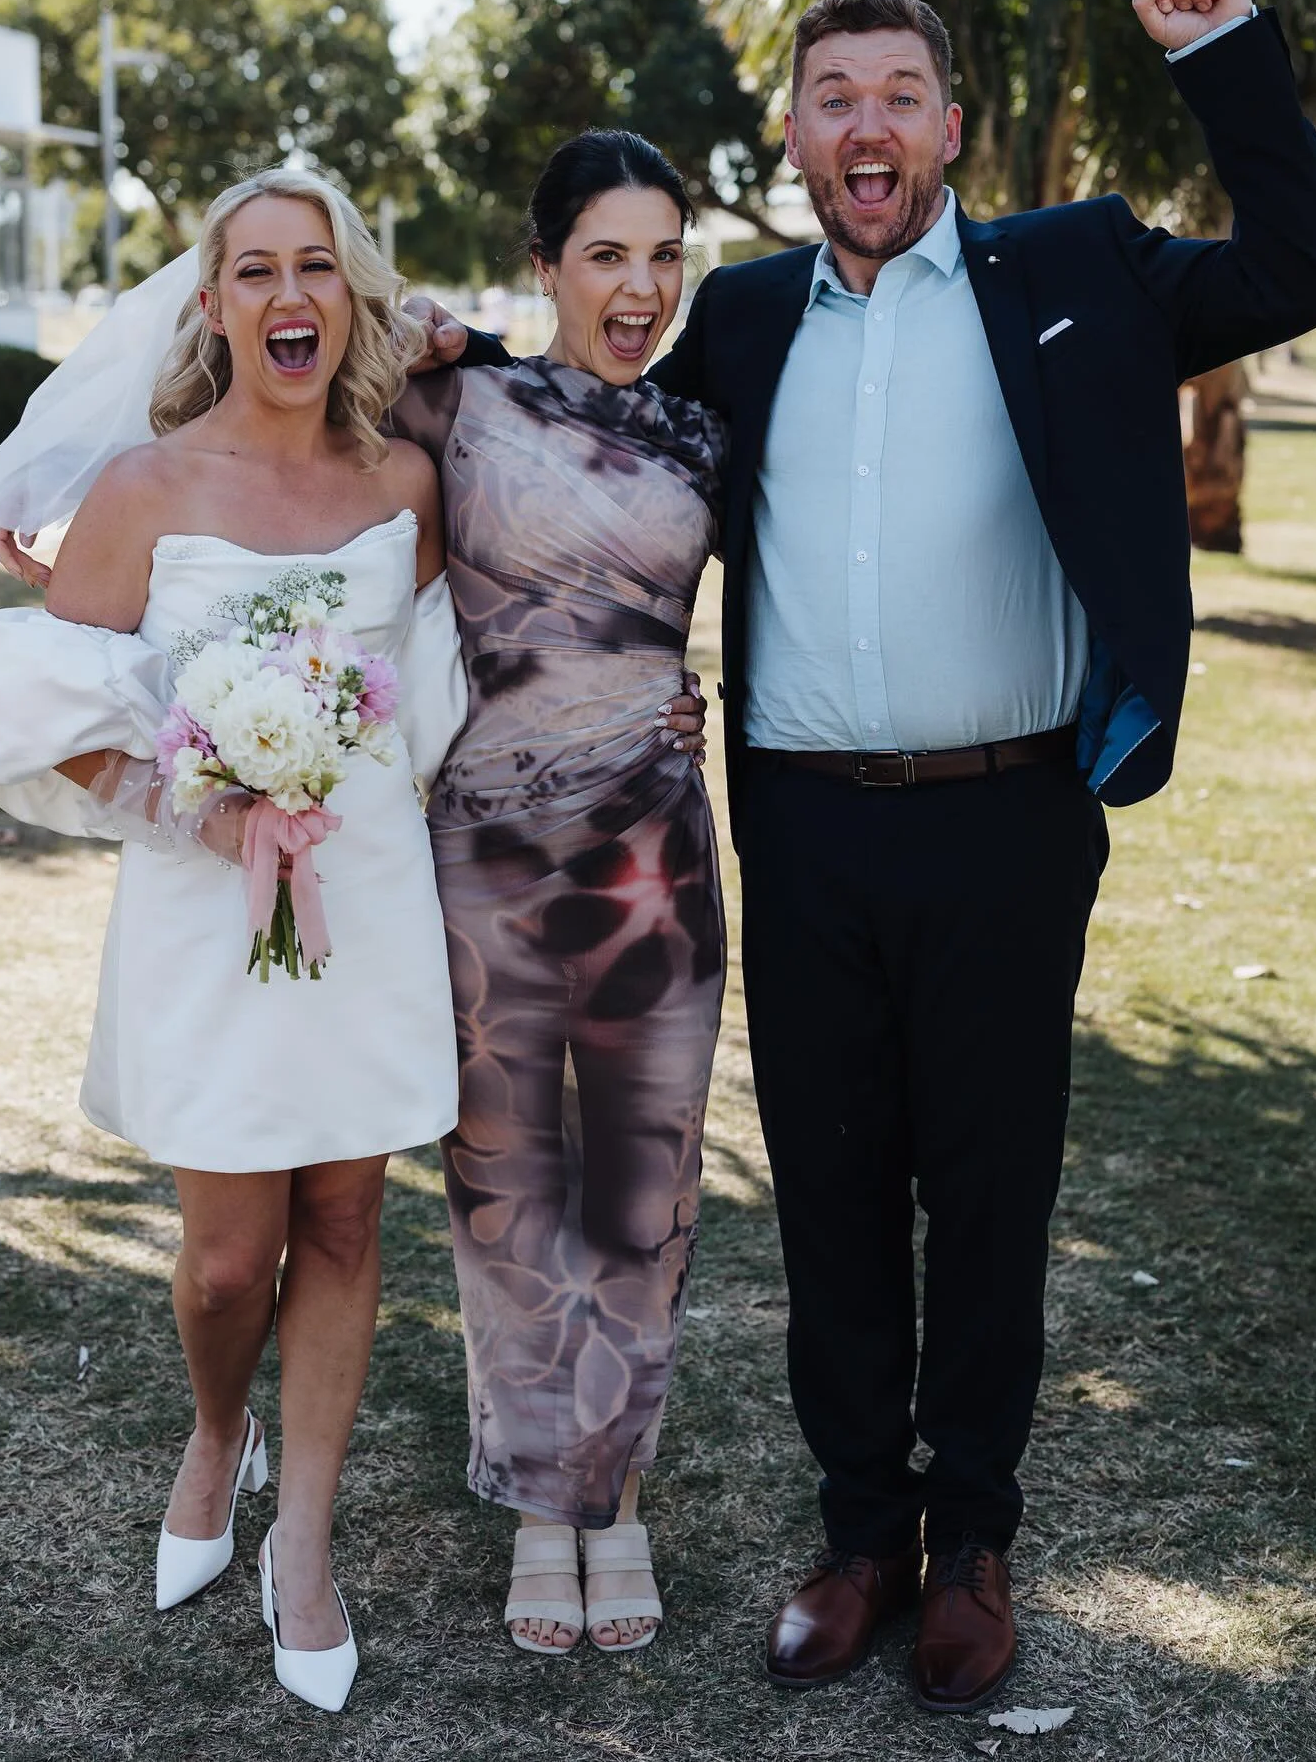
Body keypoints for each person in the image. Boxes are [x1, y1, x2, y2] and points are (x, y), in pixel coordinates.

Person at [426, 0, 1316, 1712]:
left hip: (1011, 821)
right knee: (838, 1204)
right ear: (794, 131)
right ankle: (861, 1540)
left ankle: (975, 1545)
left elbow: (1307, 267)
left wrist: (1221, 56)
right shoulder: (751, 318)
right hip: (808, 832)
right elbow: (598, 415)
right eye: (833, 95)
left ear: (947, 126)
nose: (867, 125)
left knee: (990, 1198)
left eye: (897, 95)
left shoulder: (1079, 268)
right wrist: (461, 358)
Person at [0, 170, 470, 1714]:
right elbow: (53, 727)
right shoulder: (143, 492)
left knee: (351, 1228)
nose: (288, 296)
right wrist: (210, 799)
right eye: (256, 271)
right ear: (214, 303)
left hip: (366, 893)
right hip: (206, 901)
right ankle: (214, 1429)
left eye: (317, 268)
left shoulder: (404, 484)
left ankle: (300, 1541)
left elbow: (426, 702)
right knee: (231, 1259)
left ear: (351, 301)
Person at [391, 130, 726, 1657]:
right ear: (544, 267)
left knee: (640, 1197)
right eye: (608, 253)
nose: (642, 285)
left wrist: (692, 694)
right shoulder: (456, 399)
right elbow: (264, 416)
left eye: (666, 253)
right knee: (512, 1193)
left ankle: (620, 1498)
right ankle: (543, 1508)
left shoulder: (709, 431)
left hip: (656, 848)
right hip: (489, 851)